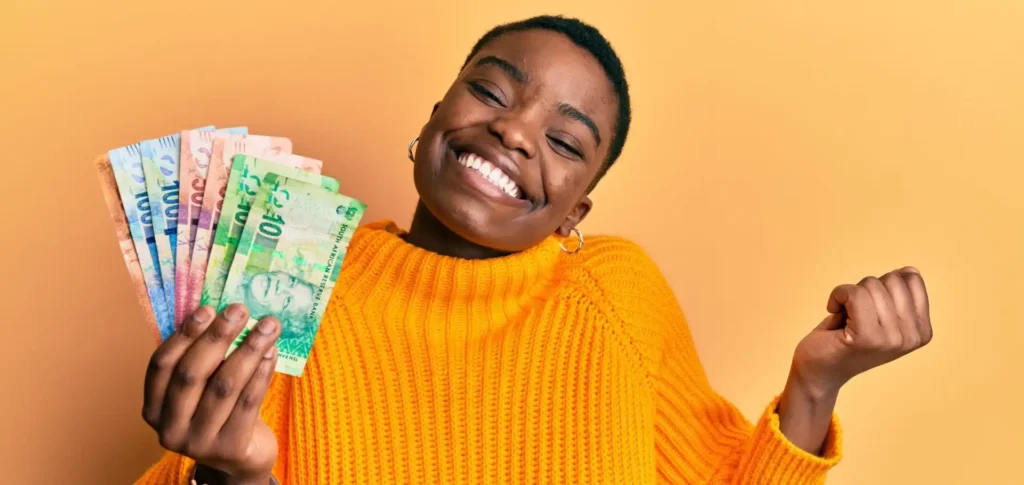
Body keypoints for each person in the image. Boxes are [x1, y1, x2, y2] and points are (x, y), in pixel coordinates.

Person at [135, 15, 932, 485]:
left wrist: (816, 380)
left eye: (562, 138)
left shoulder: (615, 297)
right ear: (434, 115)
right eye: (489, 90)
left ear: (574, 207)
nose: (513, 132)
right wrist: (230, 474)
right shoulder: (290, 283)